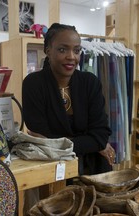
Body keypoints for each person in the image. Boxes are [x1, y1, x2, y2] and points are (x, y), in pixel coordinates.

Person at [22, 23, 115, 175]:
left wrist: (97, 142)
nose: (71, 56)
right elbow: (42, 142)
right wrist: (92, 143)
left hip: (95, 171)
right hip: (53, 171)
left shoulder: (90, 82)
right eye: (62, 49)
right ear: (48, 51)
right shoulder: (33, 84)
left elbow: (101, 135)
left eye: (77, 50)